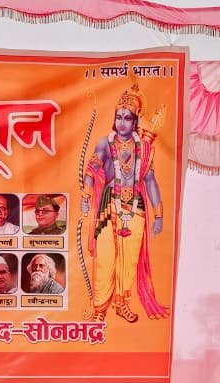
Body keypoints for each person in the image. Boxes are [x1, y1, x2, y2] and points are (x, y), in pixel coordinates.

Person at [81, 82, 168, 323]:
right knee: (105, 258)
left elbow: (150, 181)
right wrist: (86, 196)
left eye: (127, 118)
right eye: (118, 117)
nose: (121, 122)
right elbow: (90, 172)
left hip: (135, 208)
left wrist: (159, 214)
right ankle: (99, 310)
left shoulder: (145, 149)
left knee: (128, 261)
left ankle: (121, 304)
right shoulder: (104, 143)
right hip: (109, 206)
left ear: (135, 120)